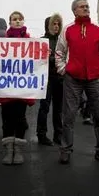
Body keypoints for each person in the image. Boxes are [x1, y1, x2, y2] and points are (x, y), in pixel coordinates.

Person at [55, 0, 99, 165]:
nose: (86, 9)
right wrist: (63, 70)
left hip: (95, 78)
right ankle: (65, 149)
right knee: (68, 116)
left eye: (87, 6)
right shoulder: (67, 29)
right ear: (75, 11)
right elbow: (59, 52)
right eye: (82, 7)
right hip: (73, 79)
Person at [0, 11, 36, 165]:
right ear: (10, 22)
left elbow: (36, 59)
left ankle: (18, 149)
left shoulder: (30, 41)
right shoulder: (3, 41)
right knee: (7, 119)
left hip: (22, 87)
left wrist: (44, 54)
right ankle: (9, 149)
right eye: (15, 19)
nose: (18, 21)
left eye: (20, 19)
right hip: (7, 87)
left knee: (20, 119)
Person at [36, 14, 63, 146]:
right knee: (44, 107)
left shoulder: (63, 40)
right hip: (46, 79)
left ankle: (58, 135)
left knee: (59, 108)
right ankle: (41, 134)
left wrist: (52, 59)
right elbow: (37, 61)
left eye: (58, 24)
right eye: (54, 24)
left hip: (60, 78)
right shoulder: (42, 41)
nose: (56, 26)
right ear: (48, 25)